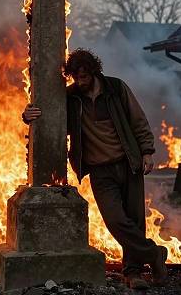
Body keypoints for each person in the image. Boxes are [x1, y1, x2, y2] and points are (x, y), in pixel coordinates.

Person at [22, 48, 168, 289]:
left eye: (84, 77)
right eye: (75, 78)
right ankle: (154, 254)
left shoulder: (116, 89)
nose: (80, 82)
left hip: (128, 164)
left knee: (134, 220)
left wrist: (147, 151)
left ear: (94, 72)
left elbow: (138, 120)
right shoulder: (72, 98)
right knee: (115, 220)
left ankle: (133, 273)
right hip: (100, 172)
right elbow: (48, 115)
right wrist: (27, 115)